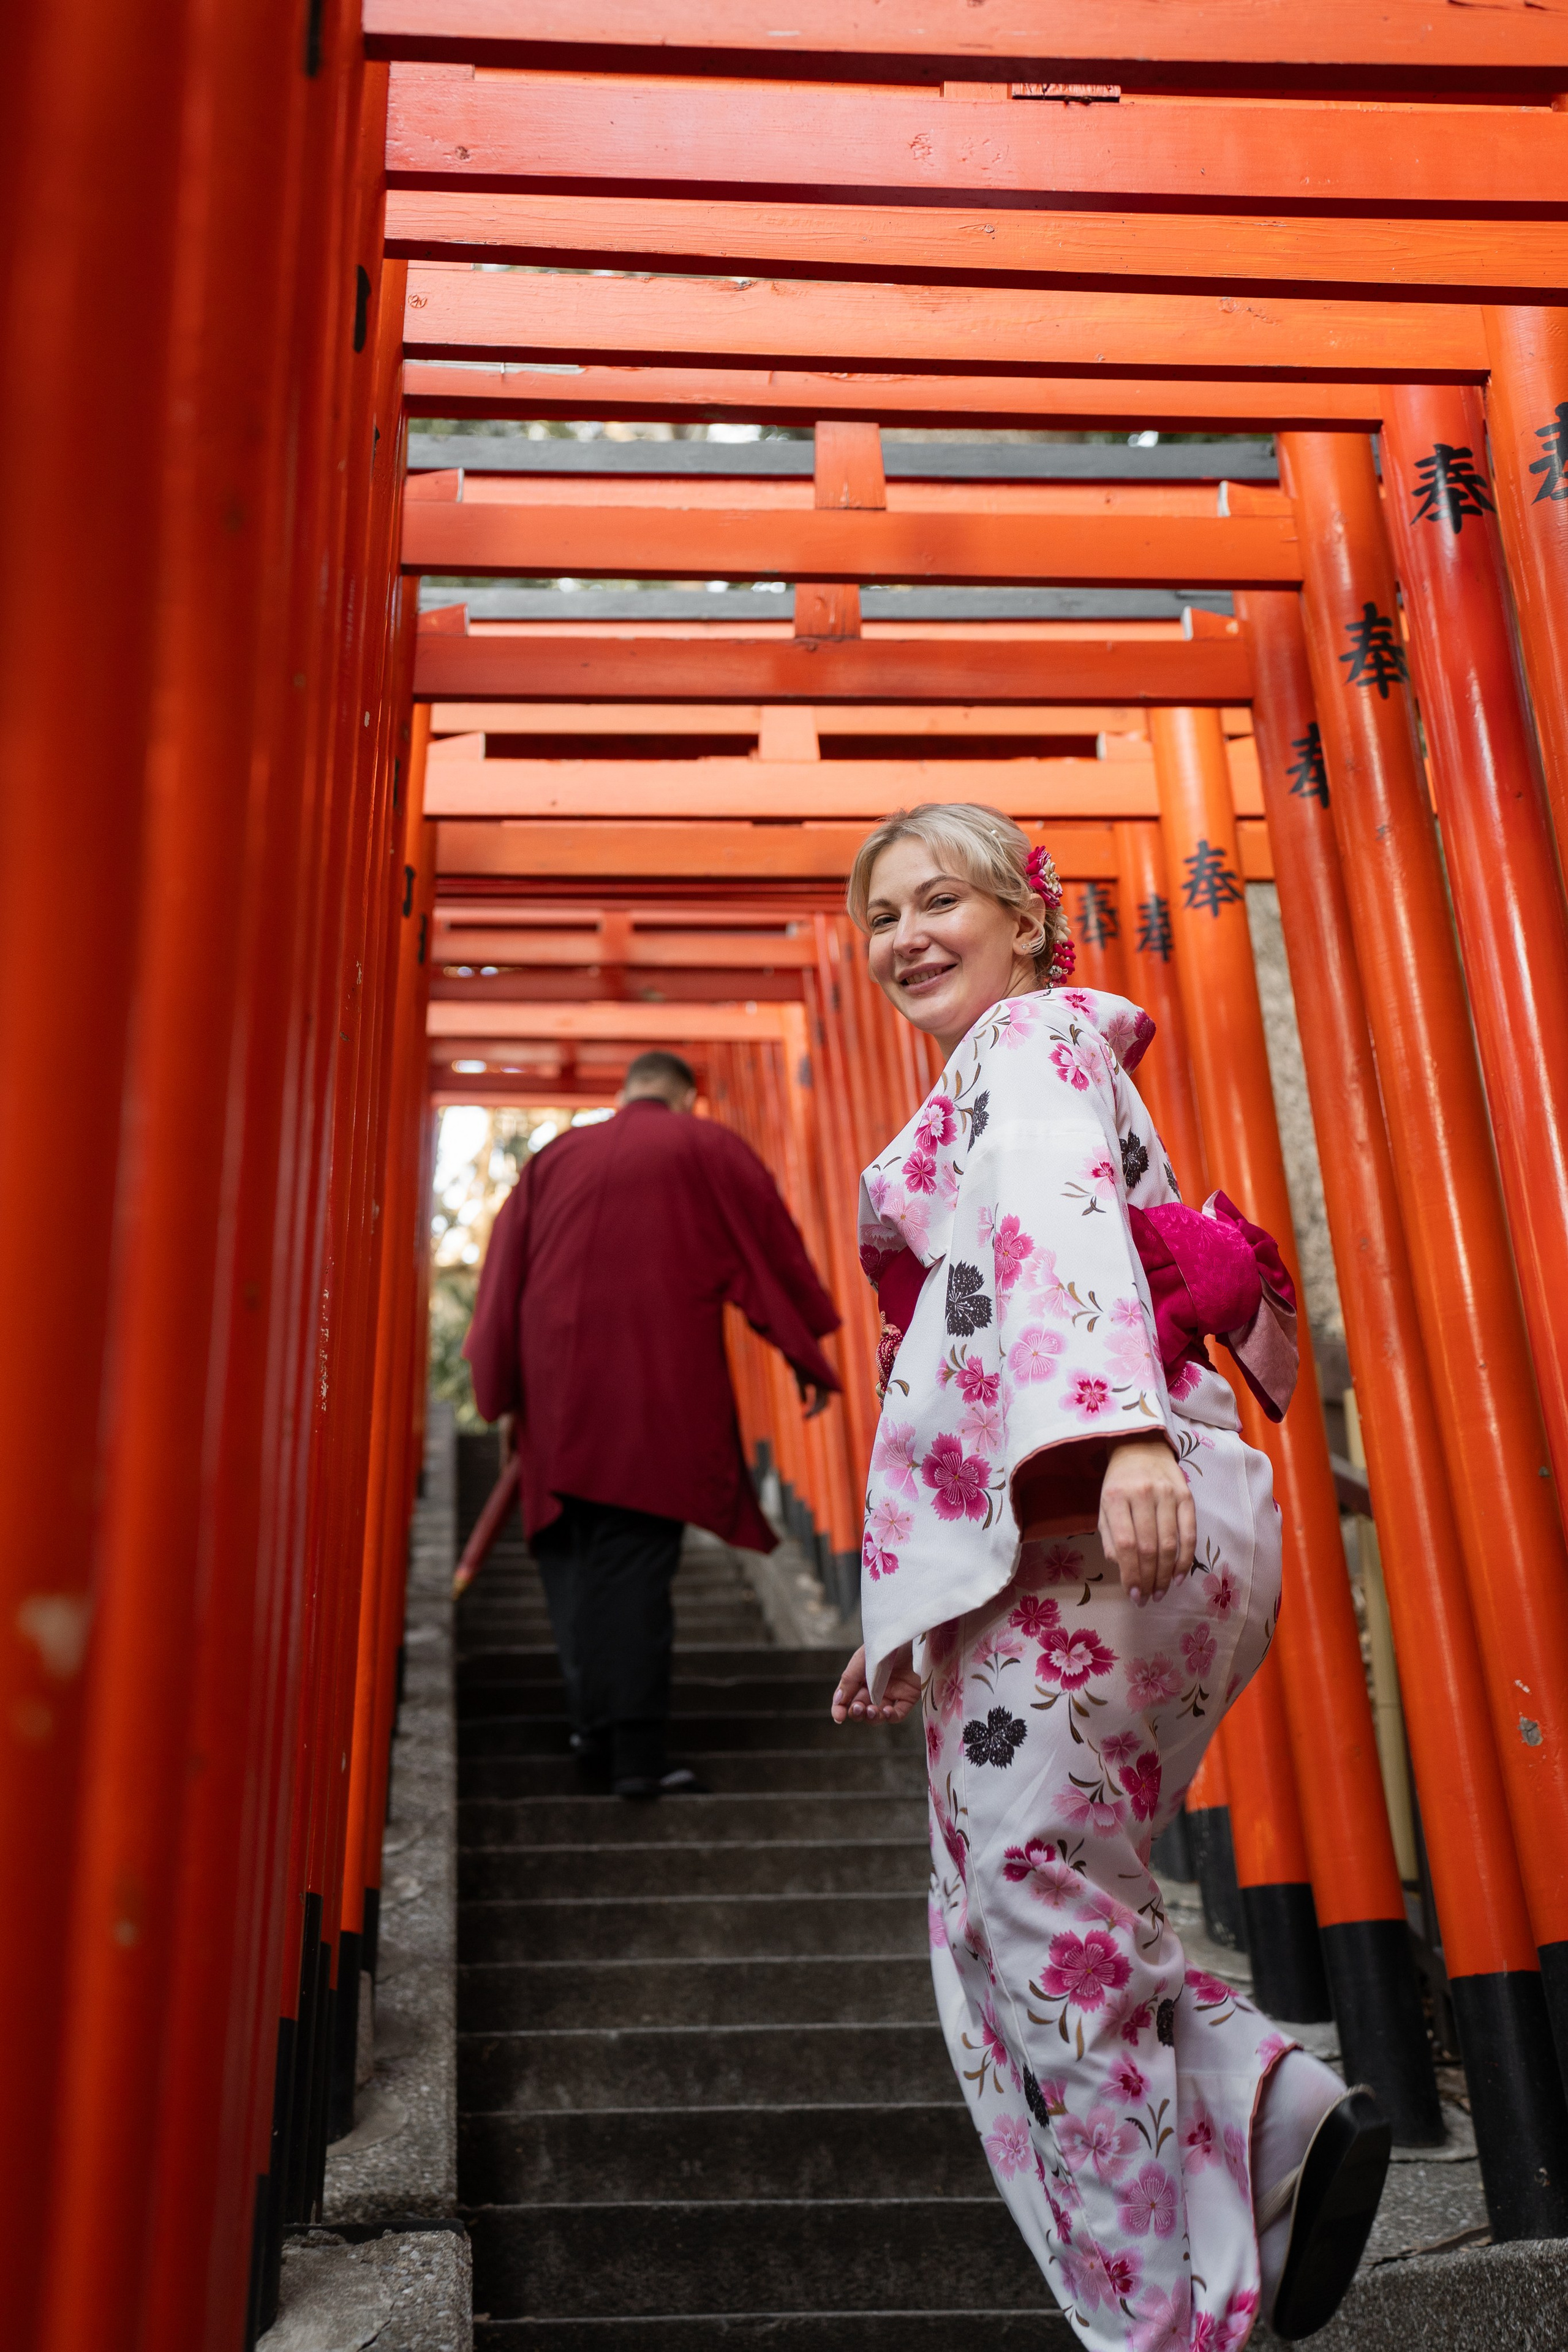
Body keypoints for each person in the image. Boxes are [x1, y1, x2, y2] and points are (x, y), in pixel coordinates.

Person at [831, 805, 1389, 2349]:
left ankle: (1161, 2322)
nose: (904, 939)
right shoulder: (1026, 1054)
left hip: (1090, 1517)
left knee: (1028, 1914)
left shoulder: (1026, 1043)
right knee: (1001, 1906)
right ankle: (1260, 2102)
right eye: (880, 917)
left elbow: (1062, 1222)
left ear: (1024, 919)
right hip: (1050, 1540)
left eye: (938, 900)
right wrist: (912, 1597)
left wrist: (1123, 1431)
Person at [464, 1049, 842, 1800]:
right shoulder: (703, 1145)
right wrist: (803, 1349)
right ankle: (635, 1753)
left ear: (625, 1092)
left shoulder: (550, 1160)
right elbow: (765, 1250)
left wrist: (500, 1395)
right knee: (633, 1562)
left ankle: (592, 1730)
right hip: (651, 1398)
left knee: (570, 1564)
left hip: (552, 1402)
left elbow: (500, 1280)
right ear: (686, 1098)